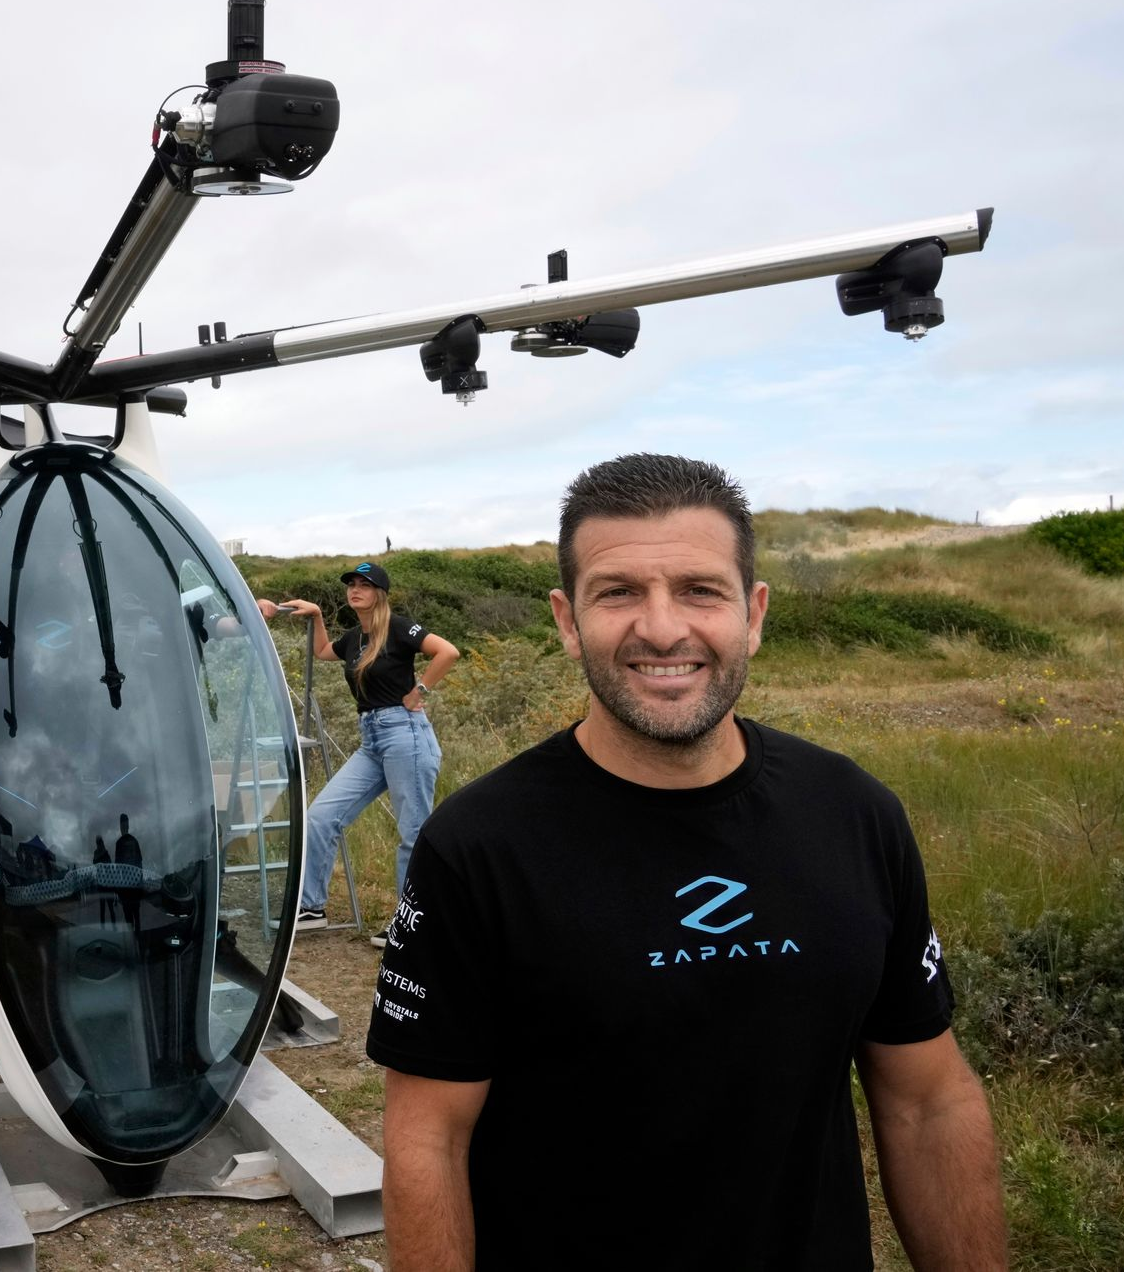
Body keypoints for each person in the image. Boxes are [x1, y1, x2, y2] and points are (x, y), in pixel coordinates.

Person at [368, 454, 1005, 1270]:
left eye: (700, 590)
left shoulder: (854, 813)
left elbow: (928, 1100)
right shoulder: (476, 847)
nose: (662, 627)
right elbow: (428, 1139)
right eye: (619, 591)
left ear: (754, 612)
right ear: (567, 619)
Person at [276, 561, 459, 934]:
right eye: (351, 585)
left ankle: (409, 926)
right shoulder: (355, 638)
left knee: (412, 832)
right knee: (321, 817)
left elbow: (448, 652)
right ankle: (312, 908)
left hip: (404, 734)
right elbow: (324, 651)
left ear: (379, 593)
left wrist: (419, 690)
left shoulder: (397, 626)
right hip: (372, 740)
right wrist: (316, 615)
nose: (355, 590)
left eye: (365, 584)